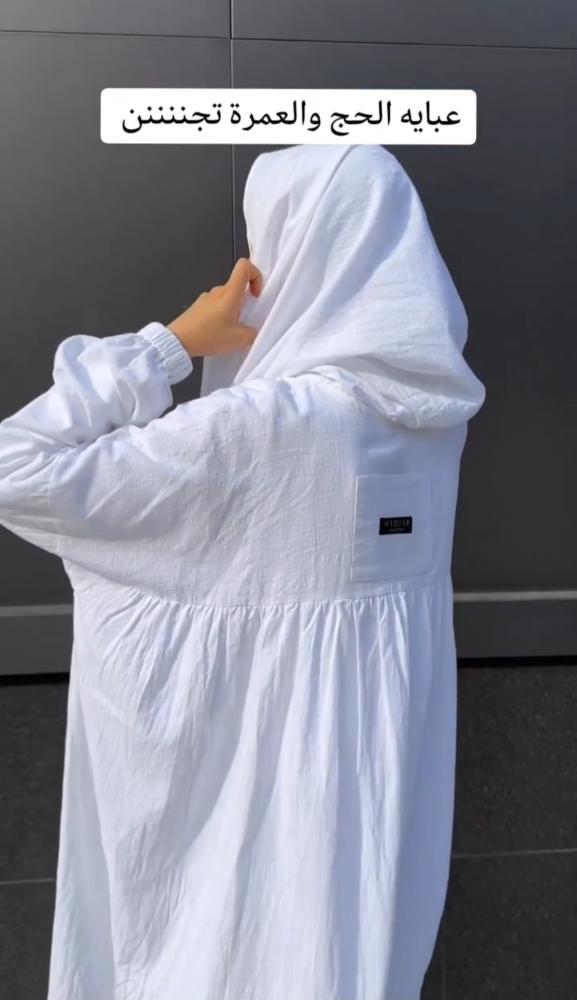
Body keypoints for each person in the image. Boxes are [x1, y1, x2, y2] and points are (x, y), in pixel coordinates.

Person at [0, 143, 486, 1000]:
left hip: (241, 874)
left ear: (296, 250)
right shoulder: (429, 422)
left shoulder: (269, 427)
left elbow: (16, 467)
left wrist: (169, 344)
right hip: (361, 846)